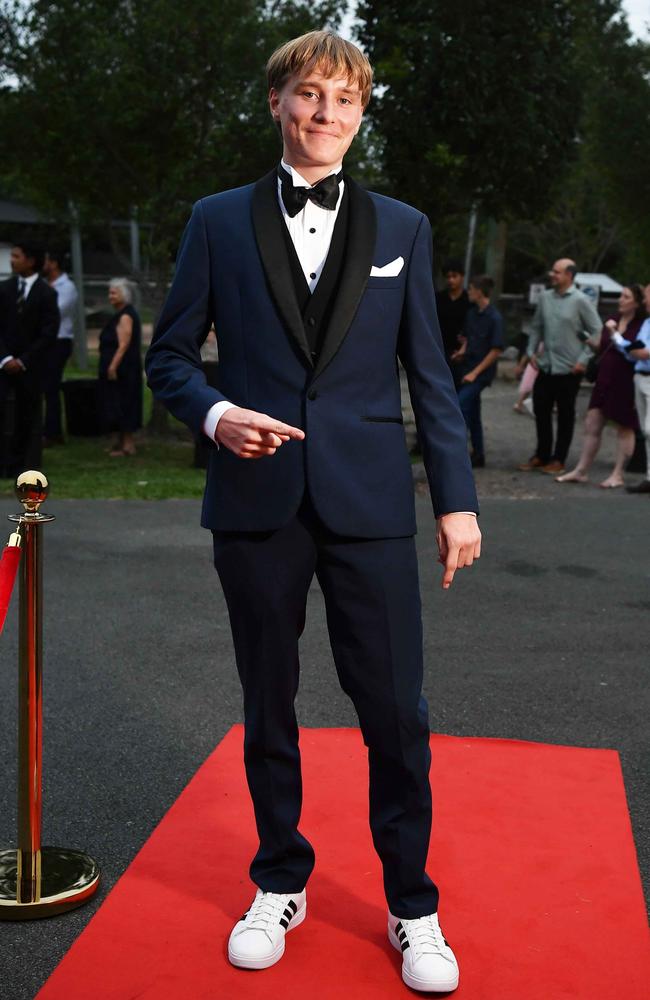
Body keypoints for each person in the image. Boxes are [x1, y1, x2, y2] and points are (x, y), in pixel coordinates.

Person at [146, 30, 481, 995]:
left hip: (372, 504)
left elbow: (431, 376)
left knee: (395, 711)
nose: (325, 114)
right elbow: (171, 355)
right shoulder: (215, 219)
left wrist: (455, 502)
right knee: (269, 703)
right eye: (308, 95)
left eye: (344, 100)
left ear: (360, 115)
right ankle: (278, 879)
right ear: (276, 102)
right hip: (256, 505)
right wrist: (214, 415)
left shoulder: (406, 228)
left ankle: (413, 902)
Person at [516, 258, 601, 475]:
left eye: (557, 272)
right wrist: (531, 351)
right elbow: (536, 327)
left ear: (569, 275)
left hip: (569, 368)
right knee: (541, 410)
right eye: (552, 271)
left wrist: (583, 359)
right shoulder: (545, 298)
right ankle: (541, 454)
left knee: (565, 414)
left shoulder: (581, 300)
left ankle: (559, 458)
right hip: (546, 365)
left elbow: (597, 332)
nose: (552, 274)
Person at [556, 284, 645, 488]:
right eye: (621, 296)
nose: (621, 300)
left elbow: (633, 352)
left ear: (636, 303)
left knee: (624, 426)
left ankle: (618, 473)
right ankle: (581, 469)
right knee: (592, 422)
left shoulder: (641, 326)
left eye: (626, 296)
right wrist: (590, 342)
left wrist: (615, 333)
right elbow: (605, 346)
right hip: (605, 378)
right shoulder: (612, 319)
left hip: (625, 379)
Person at [0, 240, 59, 476]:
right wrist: (5, 358)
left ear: (30, 261)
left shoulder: (46, 294)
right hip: (3, 364)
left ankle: (18, 464)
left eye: (16, 256)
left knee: (25, 416)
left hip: (30, 367)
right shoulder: (4, 289)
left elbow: (48, 333)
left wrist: (23, 360)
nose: (12, 260)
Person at [451, 274, 504, 467]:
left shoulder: (494, 317)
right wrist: (461, 352)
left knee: (461, 405)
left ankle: (456, 451)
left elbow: (495, 349)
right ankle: (478, 454)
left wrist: (476, 372)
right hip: (468, 366)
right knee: (473, 412)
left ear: (479, 291)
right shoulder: (472, 314)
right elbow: (468, 338)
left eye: (472, 289)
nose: (469, 293)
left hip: (480, 372)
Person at [98, 278, 142, 456]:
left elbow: (124, 343)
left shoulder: (125, 316)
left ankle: (128, 445)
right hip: (120, 368)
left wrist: (112, 366)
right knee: (116, 404)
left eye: (114, 292)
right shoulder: (119, 314)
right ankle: (119, 442)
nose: (110, 296)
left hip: (124, 369)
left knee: (124, 404)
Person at [41, 248, 78, 445]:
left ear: (54, 264)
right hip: (46, 341)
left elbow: (55, 312)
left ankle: (53, 431)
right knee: (44, 387)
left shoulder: (67, 287)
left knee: (52, 386)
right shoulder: (46, 284)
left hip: (59, 340)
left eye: (46, 260)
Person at [624, 283, 650, 494]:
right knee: (644, 429)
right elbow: (634, 348)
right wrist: (637, 350)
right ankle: (649, 477)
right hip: (639, 376)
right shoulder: (646, 323)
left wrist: (637, 350)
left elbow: (642, 351)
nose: (644, 301)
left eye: (647, 296)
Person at [435, 258, 469, 385]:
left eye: (455, 276)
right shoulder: (438, 298)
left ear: (462, 277)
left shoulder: (468, 300)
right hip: (441, 349)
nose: (451, 280)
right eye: (448, 277)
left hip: (461, 352)